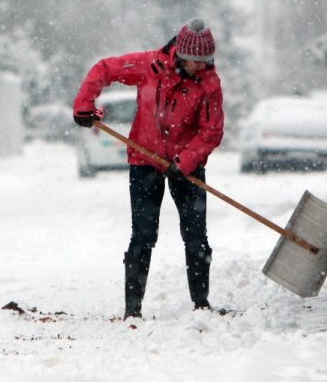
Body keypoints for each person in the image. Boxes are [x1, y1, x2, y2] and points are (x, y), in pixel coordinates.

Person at [73, 17, 224, 319]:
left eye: (205, 61)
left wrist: (185, 162)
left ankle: (201, 304)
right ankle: (132, 310)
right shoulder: (150, 66)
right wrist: (84, 104)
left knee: (196, 236)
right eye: (195, 61)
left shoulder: (209, 84)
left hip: (186, 168)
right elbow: (104, 69)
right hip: (144, 162)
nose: (200, 67)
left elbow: (212, 131)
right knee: (142, 236)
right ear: (181, 53)